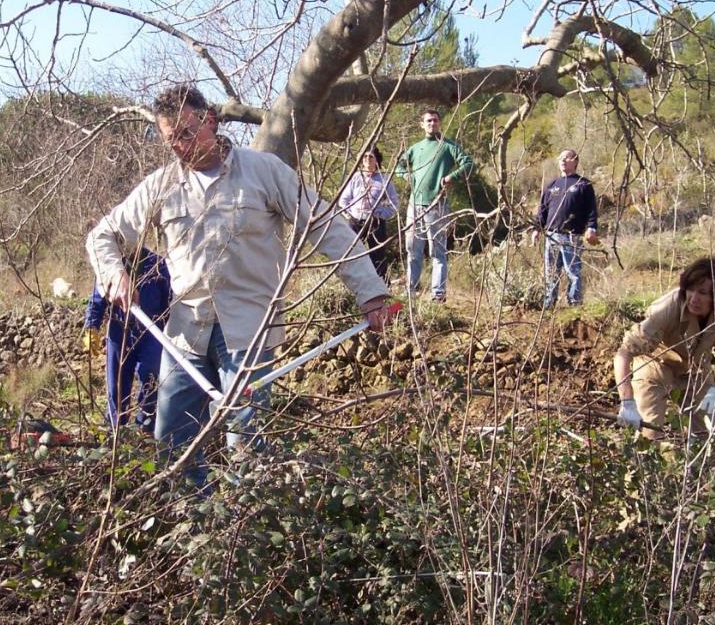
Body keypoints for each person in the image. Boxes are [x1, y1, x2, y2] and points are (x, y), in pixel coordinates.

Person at [86, 85, 392, 484]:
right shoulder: (162, 185)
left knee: (247, 447)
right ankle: (194, 530)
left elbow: (326, 227)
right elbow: (101, 236)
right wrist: (116, 275)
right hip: (184, 336)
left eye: (185, 132)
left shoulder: (264, 171)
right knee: (171, 444)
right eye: (169, 139)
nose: (179, 146)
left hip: (248, 331)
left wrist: (369, 291)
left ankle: (244, 535)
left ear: (210, 120)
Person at [613, 257, 715, 440]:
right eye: (690, 289)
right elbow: (624, 353)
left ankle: (699, 468)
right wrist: (627, 400)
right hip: (655, 368)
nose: (694, 298)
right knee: (649, 433)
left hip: (695, 371)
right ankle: (645, 465)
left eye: (703, 293)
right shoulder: (669, 306)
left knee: (705, 436)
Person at [82, 248, 171, 434]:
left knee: (150, 377)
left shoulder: (157, 264)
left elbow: (169, 302)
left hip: (151, 332)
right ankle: (116, 430)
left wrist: (169, 331)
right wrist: (91, 327)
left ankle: (146, 427)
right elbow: (97, 300)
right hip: (119, 331)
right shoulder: (111, 266)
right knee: (117, 383)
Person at [395, 108, 473, 302]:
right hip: (415, 206)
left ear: (440, 123)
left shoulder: (447, 146)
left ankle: (438, 295)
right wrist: (407, 176)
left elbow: (468, 163)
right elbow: (398, 167)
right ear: (422, 124)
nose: (432, 124)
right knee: (413, 251)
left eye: (435, 121)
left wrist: (450, 177)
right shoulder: (415, 148)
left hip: (437, 206)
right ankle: (411, 292)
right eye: (428, 121)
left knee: (437, 252)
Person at [536, 149, 599, 308]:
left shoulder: (583, 184)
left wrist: (591, 228)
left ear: (575, 161)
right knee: (551, 272)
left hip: (572, 236)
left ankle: (575, 304)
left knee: (573, 272)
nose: (562, 160)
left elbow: (592, 209)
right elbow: (542, 209)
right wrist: (537, 229)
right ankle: (549, 304)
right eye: (560, 158)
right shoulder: (552, 185)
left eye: (566, 157)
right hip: (551, 236)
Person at [337, 147, 400, 278]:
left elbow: (394, 204)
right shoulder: (355, 178)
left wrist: (381, 214)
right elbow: (343, 200)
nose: (367, 160)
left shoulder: (384, 180)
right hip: (355, 222)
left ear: (377, 160)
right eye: (365, 157)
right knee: (350, 253)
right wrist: (350, 215)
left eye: (370, 157)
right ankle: (349, 282)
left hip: (375, 223)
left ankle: (380, 287)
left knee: (378, 255)